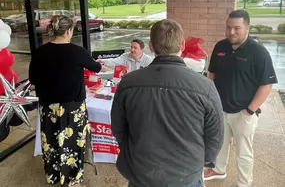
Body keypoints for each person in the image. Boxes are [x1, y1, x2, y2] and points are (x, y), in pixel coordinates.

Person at [111, 19, 224, 187]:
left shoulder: (128, 82)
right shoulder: (204, 86)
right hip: (186, 174)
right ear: (183, 45)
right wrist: (201, 162)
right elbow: (215, 136)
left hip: (141, 173)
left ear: (150, 46)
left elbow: (119, 129)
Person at [29, 15, 107, 187]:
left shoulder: (40, 52)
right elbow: (96, 67)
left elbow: (33, 79)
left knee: (50, 142)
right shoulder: (77, 51)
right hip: (73, 108)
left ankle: (54, 176)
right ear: (69, 31)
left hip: (48, 107)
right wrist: (100, 64)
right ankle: (73, 180)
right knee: (73, 144)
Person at [204, 10, 277, 187]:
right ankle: (219, 169)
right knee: (220, 143)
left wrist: (250, 110)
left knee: (244, 151)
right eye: (228, 27)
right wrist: (210, 101)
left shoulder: (258, 52)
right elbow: (211, 74)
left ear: (247, 28)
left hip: (243, 112)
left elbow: (267, 84)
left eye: (237, 28)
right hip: (220, 109)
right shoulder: (220, 47)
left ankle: (244, 183)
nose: (231, 32)